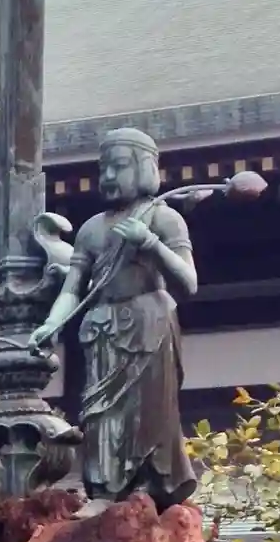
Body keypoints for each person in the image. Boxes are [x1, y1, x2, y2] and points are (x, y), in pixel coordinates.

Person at [30, 126, 198, 509]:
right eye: (102, 169)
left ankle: (148, 484)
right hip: (103, 326)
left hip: (149, 320)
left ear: (143, 168)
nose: (107, 176)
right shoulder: (91, 229)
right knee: (100, 412)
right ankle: (104, 489)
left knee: (149, 410)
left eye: (118, 167)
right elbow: (72, 288)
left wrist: (150, 243)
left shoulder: (163, 218)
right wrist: (52, 323)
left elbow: (188, 281)